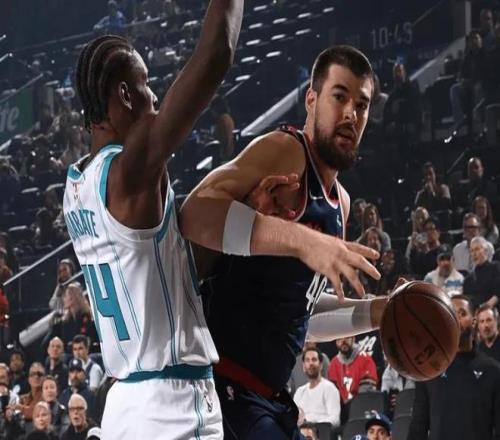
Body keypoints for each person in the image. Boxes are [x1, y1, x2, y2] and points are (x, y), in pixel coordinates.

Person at [180, 45, 389, 439]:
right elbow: (193, 214)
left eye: (361, 105)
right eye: (340, 97)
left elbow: (301, 316)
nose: (351, 114)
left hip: (267, 397)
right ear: (311, 100)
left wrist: (376, 313)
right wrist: (301, 240)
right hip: (222, 384)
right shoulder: (286, 152)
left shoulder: (341, 203)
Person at [63, 1, 244, 438]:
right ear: (125, 95)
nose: (155, 97)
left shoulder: (76, 188)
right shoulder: (130, 172)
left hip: (124, 405)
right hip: (174, 405)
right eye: (146, 85)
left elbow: (161, 268)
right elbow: (217, 53)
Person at [407, 295, 500, 440]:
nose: (456, 319)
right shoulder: (429, 370)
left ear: (474, 321)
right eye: (450, 314)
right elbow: (418, 427)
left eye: (462, 313)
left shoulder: (493, 371)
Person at [293, 347, 340, 428]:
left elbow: (335, 419)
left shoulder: (329, 388)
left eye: (314, 359)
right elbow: (294, 418)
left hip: (322, 432)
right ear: (304, 366)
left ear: (321, 365)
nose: (311, 363)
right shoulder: (299, 392)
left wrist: (314, 425)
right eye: (307, 360)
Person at [328, 337, 378, 403]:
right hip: (342, 407)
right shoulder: (333, 364)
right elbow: (333, 395)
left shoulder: (365, 359)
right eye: (339, 338)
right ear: (336, 342)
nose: (343, 340)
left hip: (362, 405)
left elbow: (366, 393)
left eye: (347, 337)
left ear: (353, 339)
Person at [463, 236, 500, 309]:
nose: (474, 254)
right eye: (471, 251)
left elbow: (498, 293)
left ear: (486, 251)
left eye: (477, 249)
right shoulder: (468, 278)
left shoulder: (495, 267)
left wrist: (487, 306)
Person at [59, 360, 94, 425]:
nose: (75, 375)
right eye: (72, 372)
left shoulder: (90, 395)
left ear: (84, 374)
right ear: (69, 375)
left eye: (78, 371)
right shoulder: (64, 394)